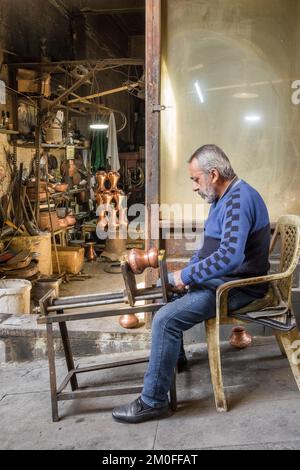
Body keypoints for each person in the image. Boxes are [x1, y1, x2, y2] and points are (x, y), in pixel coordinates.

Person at [112, 144, 271, 424]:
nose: (195, 187)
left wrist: (186, 276)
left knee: (164, 320)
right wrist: (187, 273)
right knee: (163, 295)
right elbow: (209, 248)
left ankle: (153, 401)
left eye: (196, 180)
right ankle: (174, 360)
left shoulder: (239, 199)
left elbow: (229, 257)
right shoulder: (221, 199)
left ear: (213, 174)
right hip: (220, 281)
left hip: (237, 287)